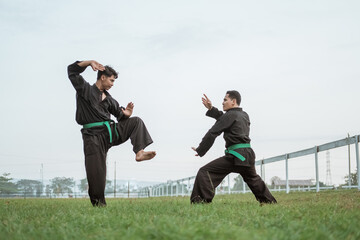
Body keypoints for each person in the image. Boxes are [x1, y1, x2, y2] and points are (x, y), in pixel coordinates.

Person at [67, 60, 156, 206]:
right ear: (103, 77)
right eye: (111, 80)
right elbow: (72, 71)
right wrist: (89, 62)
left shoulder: (109, 99)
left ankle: (139, 152)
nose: (112, 84)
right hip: (93, 136)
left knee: (136, 121)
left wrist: (127, 113)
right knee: (97, 172)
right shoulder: (85, 89)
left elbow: (121, 117)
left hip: (110, 133)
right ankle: (99, 206)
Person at [190, 91, 277, 204]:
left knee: (205, 172)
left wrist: (201, 149)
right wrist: (211, 109)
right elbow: (224, 118)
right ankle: (269, 202)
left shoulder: (230, 115)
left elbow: (213, 133)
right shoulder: (244, 115)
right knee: (253, 179)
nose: (222, 102)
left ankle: (200, 202)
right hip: (247, 155)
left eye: (225, 100)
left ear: (233, 101)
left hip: (235, 156)